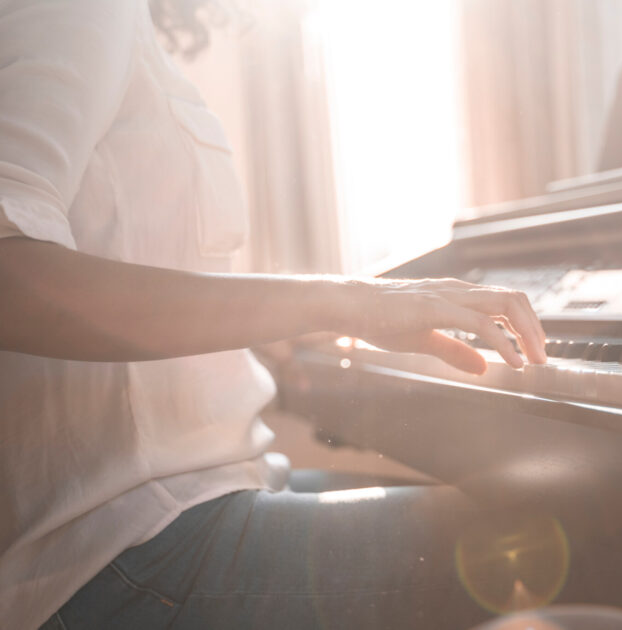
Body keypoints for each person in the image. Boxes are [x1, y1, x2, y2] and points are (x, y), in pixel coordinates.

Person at [0, 1, 547, 628]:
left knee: (513, 507)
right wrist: (347, 300)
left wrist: (275, 333)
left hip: (197, 502)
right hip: (129, 550)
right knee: (537, 538)